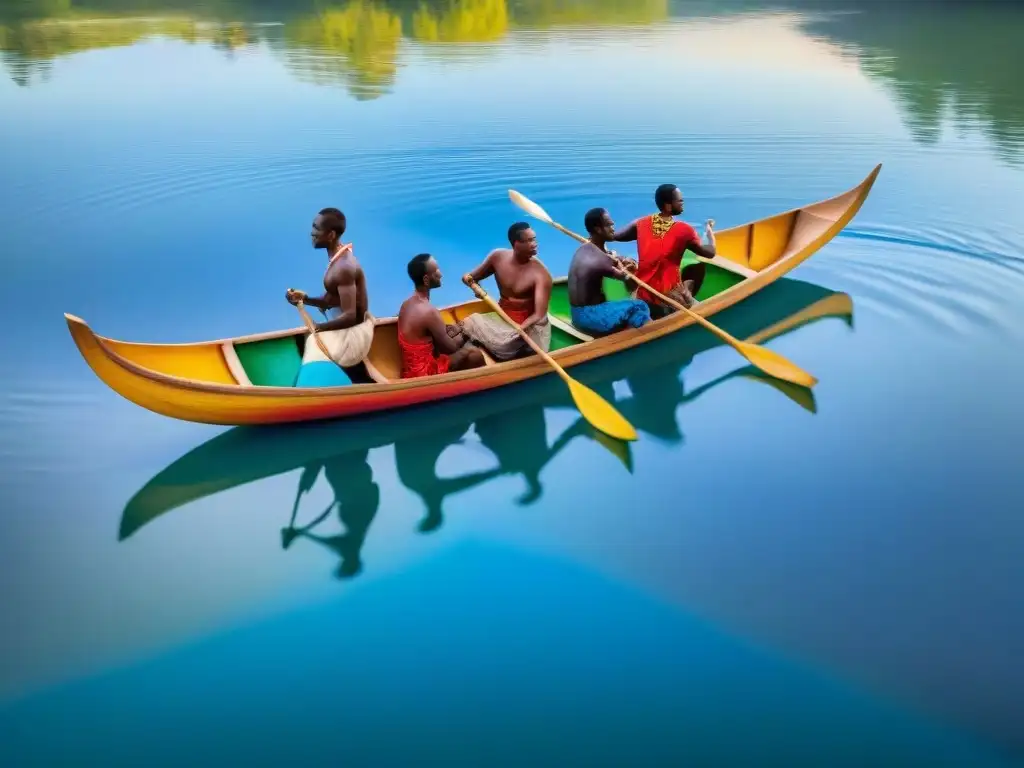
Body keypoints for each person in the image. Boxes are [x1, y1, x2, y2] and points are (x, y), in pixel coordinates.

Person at [285, 207, 375, 385]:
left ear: (331, 235)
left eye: (317, 229)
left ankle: (308, 388)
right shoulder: (338, 258)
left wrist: (318, 327)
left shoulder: (343, 268)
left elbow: (350, 316)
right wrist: (304, 299)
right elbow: (330, 301)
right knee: (310, 336)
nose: (312, 233)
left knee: (312, 341)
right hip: (349, 330)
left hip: (354, 339)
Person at [611, 184, 717, 318]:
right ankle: (686, 301)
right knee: (698, 272)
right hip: (666, 301)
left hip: (642, 295)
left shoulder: (640, 223)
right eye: (679, 201)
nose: (683, 203)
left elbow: (616, 236)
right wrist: (709, 233)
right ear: (668, 206)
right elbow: (710, 253)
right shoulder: (684, 230)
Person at [458, 222, 552, 361]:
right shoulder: (497, 257)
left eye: (534, 239)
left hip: (530, 324)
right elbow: (471, 277)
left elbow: (539, 314)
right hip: (503, 316)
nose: (535, 244)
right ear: (516, 243)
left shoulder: (541, 274)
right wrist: (474, 284)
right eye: (529, 240)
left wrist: (521, 329)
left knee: (512, 344)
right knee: (469, 322)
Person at [397, 253, 486, 378]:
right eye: (436, 271)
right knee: (473, 353)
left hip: (410, 368)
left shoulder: (406, 304)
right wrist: (467, 330)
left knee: (453, 334)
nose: (441, 274)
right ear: (426, 280)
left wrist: (457, 329)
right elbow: (451, 348)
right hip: (424, 373)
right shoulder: (429, 311)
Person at [567, 207, 652, 336]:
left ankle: (629, 330)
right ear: (597, 229)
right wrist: (630, 268)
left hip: (576, 314)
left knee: (630, 308)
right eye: (609, 225)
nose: (613, 227)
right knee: (639, 306)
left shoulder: (586, 248)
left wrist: (620, 260)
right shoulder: (601, 259)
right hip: (590, 317)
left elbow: (610, 257)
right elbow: (630, 283)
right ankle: (646, 335)